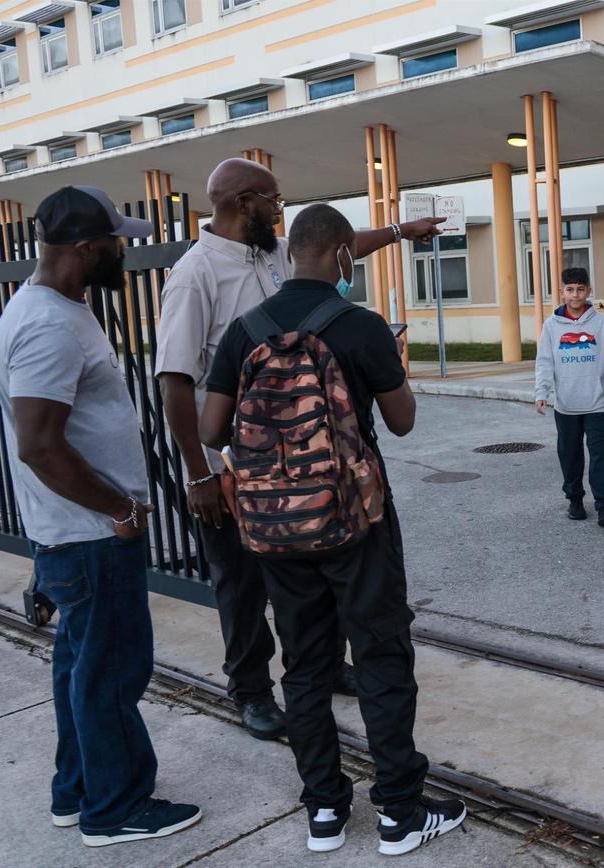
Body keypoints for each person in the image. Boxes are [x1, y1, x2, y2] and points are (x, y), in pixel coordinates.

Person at [198, 204, 465, 857]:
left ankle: (324, 811)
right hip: (357, 523)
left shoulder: (244, 332)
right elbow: (401, 422)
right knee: (380, 655)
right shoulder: (361, 326)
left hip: (275, 531)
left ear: (290, 254)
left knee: (306, 665)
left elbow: (209, 429)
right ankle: (400, 813)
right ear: (345, 256)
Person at [156, 158, 443, 740]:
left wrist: (399, 232)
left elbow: (331, 245)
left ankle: (324, 665)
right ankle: (251, 689)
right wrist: (200, 474)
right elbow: (174, 380)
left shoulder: (273, 252)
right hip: (238, 466)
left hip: (310, 460)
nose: (280, 210)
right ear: (243, 202)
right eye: (274, 200)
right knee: (241, 581)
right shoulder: (196, 274)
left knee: (310, 571)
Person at [0, 186, 201, 847]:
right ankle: (115, 808)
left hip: (74, 535)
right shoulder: (49, 325)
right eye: (117, 242)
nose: (124, 252)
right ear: (86, 248)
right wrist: (120, 511)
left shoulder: (52, 307)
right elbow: (40, 443)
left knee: (81, 667)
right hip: (89, 536)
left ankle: (76, 792)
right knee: (111, 671)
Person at [534, 266, 604, 527]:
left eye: (580, 289)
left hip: (597, 403)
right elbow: (545, 361)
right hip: (566, 405)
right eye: (570, 290)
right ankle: (575, 499)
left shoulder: (602, 324)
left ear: (588, 291)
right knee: (569, 454)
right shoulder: (551, 326)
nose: (575, 295)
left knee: (600, 454)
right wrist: (542, 392)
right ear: (562, 292)